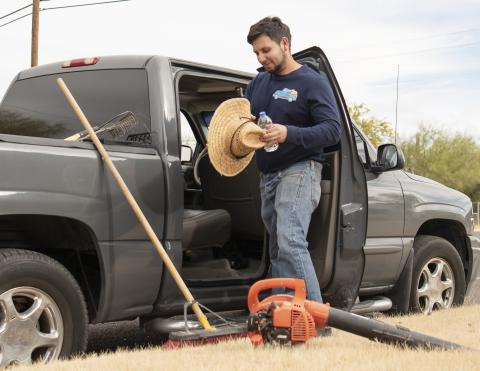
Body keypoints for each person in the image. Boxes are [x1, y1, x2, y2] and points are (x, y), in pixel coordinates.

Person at [245, 16, 341, 302]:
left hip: (300, 170)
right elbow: (248, 119)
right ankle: (283, 317)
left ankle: (316, 320)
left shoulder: (311, 82)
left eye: (266, 50)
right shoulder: (259, 82)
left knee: (290, 241)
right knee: (277, 249)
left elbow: (333, 131)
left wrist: (288, 133)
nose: (262, 58)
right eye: (257, 53)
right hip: (268, 174)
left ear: (284, 43)